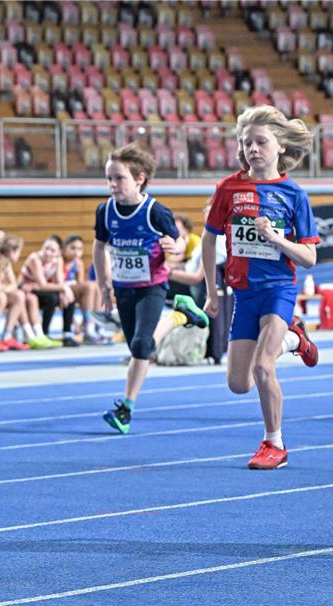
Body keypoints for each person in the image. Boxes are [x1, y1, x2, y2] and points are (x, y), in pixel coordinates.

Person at [201, 105, 320, 470]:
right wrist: (210, 292)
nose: (253, 149)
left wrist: (275, 239)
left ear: (280, 146)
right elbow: (209, 240)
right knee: (239, 383)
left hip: (278, 289)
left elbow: (309, 258)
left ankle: (275, 443)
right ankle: (295, 339)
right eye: (246, 143)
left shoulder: (294, 195)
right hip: (243, 293)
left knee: (263, 368)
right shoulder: (229, 188)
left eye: (261, 142)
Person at [93, 142, 203, 433]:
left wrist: (174, 247)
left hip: (152, 286)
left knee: (142, 346)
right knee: (138, 348)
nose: (112, 184)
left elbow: (178, 242)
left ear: (139, 178)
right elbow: (99, 246)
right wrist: (104, 285)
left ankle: (126, 409)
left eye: (119, 178)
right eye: (109, 178)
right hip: (123, 287)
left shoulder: (155, 211)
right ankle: (180, 315)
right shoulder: (105, 211)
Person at [18, 236, 69, 347]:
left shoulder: (58, 260)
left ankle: (50, 333)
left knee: (63, 298)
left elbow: (59, 282)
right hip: (24, 287)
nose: (47, 252)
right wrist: (64, 288)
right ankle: (38, 334)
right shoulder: (34, 258)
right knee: (49, 297)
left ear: (59, 252)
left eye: (52, 250)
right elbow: (43, 284)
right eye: (46, 248)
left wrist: (64, 293)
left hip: (38, 289)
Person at [61, 234, 103, 345]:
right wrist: (74, 322)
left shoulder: (78, 263)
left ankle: (94, 324)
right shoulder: (59, 261)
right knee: (89, 286)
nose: (76, 252)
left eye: (79, 249)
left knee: (95, 286)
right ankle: (88, 328)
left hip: (73, 291)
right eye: (72, 248)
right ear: (64, 248)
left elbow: (81, 286)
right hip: (62, 290)